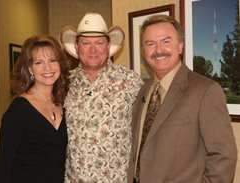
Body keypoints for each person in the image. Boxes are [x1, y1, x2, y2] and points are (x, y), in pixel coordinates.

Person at [127, 14, 238, 183]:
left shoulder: (206, 91)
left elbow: (224, 157)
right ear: (144, 50)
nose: (158, 50)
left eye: (166, 41)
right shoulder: (143, 90)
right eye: (150, 43)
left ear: (180, 46)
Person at [59, 12, 143, 182]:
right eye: (85, 43)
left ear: (108, 46)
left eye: (99, 43)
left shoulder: (131, 81)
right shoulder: (64, 83)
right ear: (76, 47)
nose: (92, 50)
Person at [0, 35, 70, 183]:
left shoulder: (66, 103)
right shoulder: (18, 111)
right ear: (29, 69)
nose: (47, 68)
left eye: (52, 60)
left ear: (60, 64)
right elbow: (2, 169)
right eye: (39, 62)